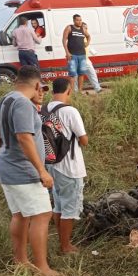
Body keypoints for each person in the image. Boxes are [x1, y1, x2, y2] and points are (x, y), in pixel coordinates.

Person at [0, 65, 60, 276]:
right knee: (42, 215)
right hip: (23, 171)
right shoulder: (23, 104)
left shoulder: (7, 99)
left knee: (20, 215)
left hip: (7, 166)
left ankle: (21, 261)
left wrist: (2, 145)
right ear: (38, 84)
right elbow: (24, 137)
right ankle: (42, 268)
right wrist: (41, 170)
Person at [45, 78, 88, 254]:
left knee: (59, 205)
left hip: (52, 164)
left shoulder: (44, 109)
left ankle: (61, 242)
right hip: (70, 168)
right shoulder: (70, 111)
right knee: (70, 208)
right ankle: (65, 246)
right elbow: (83, 140)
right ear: (69, 90)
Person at [62, 14, 90, 92]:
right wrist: (67, 52)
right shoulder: (69, 28)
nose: (79, 21)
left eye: (80, 20)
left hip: (82, 55)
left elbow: (88, 36)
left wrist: (87, 43)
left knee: (81, 74)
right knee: (72, 75)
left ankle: (80, 92)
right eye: (77, 20)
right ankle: (72, 93)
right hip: (72, 55)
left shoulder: (83, 29)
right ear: (74, 20)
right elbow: (64, 40)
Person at [82, 22, 102, 94]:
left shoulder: (85, 37)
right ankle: (76, 92)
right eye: (85, 28)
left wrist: (93, 52)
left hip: (86, 59)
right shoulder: (78, 37)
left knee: (92, 74)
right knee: (77, 77)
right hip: (80, 59)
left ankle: (98, 89)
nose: (86, 30)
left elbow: (87, 46)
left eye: (87, 28)